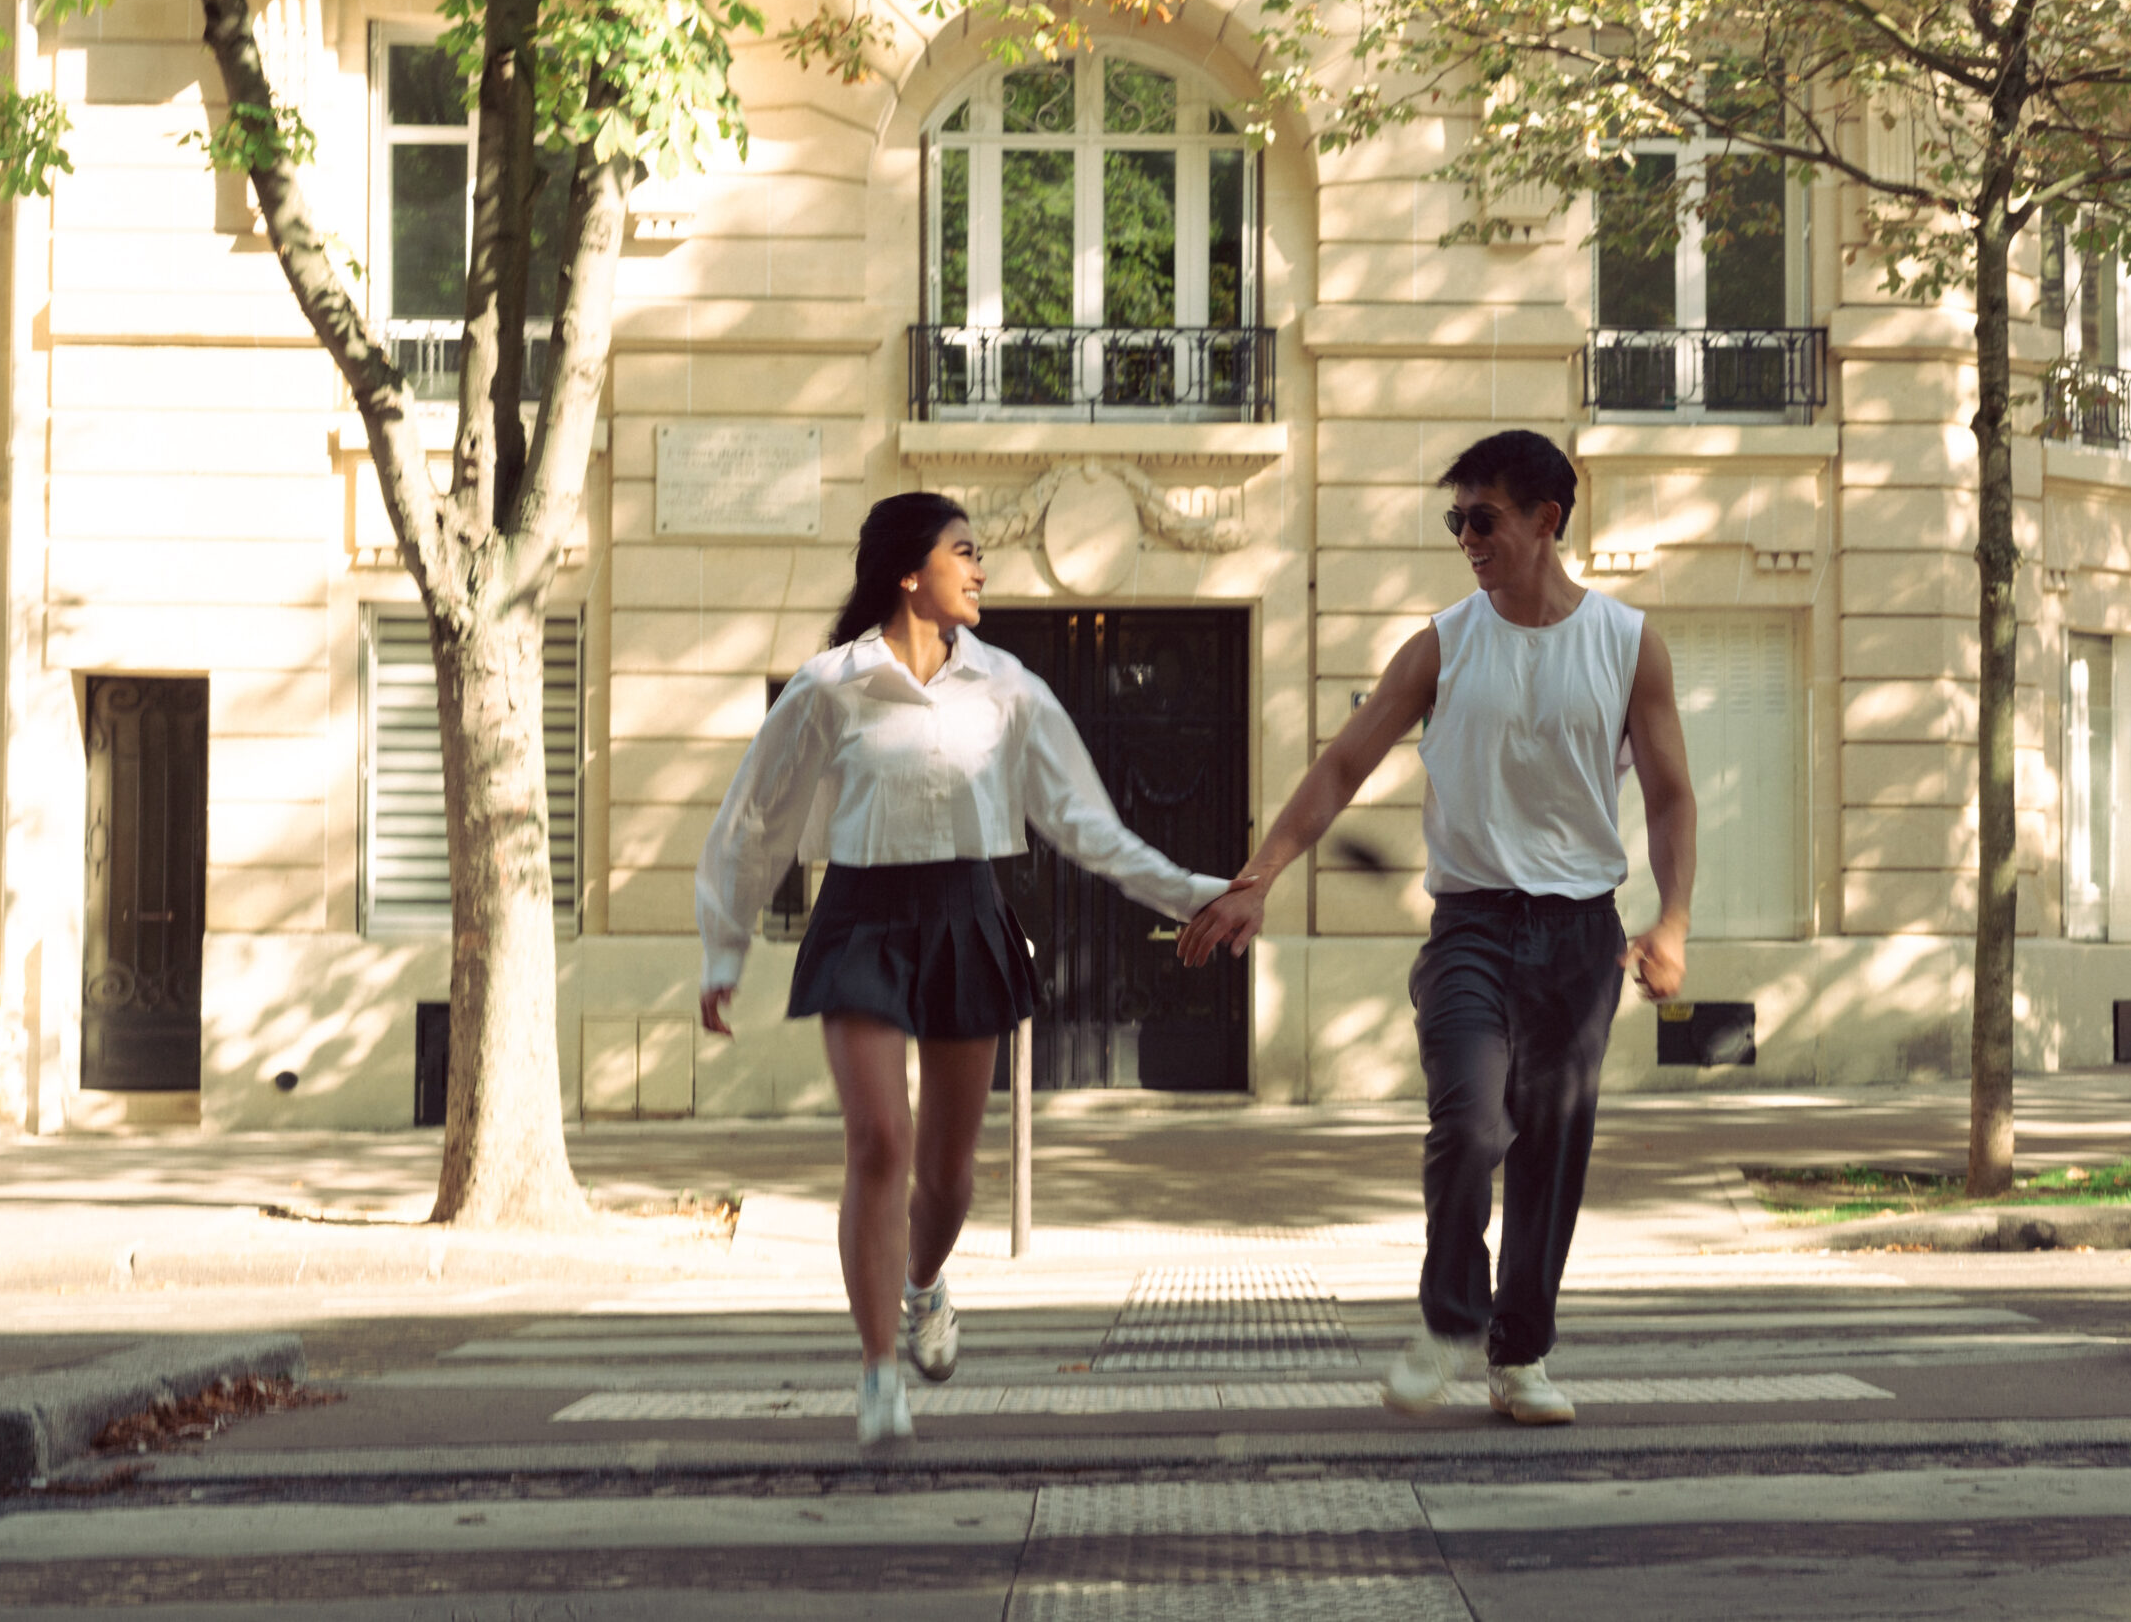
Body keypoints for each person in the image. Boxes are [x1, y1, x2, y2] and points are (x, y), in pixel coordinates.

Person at [1178, 429, 1696, 1425]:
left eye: (1483, 517)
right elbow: (1340, 766)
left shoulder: (1629, 644)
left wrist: (1670, 919)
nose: (1465, 535)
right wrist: (1258, 876)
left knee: (1550, 1146)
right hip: (1471, 927)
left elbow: (1672, 796)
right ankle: (1451, 1316)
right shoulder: (1444, 642)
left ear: (1546, 520)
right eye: (1455, 518)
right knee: (1469, 1120)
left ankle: (1520, 1354)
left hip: (1583, 935)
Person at [696, 492, 1229, 1447]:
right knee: (878, 1142)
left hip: (964, 917)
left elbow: (1086, 825)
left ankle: (924, 1286)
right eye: (965, 552)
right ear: (910, 572)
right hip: (860, 919)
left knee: (946, 1175)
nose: (980, 570)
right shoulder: (828, 686)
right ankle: (874, 1370)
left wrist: (1194, 892)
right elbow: (754, 821)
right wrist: (722, 947)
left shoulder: (1009, 687)